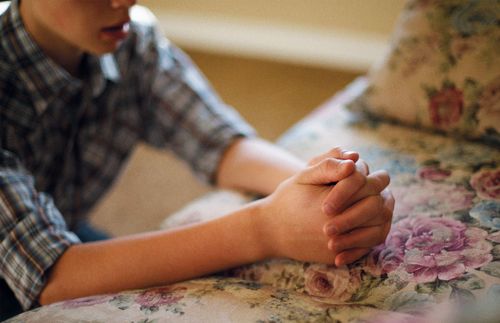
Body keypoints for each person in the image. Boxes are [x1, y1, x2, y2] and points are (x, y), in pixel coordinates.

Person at [0, 0, 394, 319]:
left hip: (61, 223)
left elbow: (221, 144)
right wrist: (265, 227)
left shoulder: (133, 42)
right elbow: (52, 274)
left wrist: (328, 188)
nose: (125, 1)